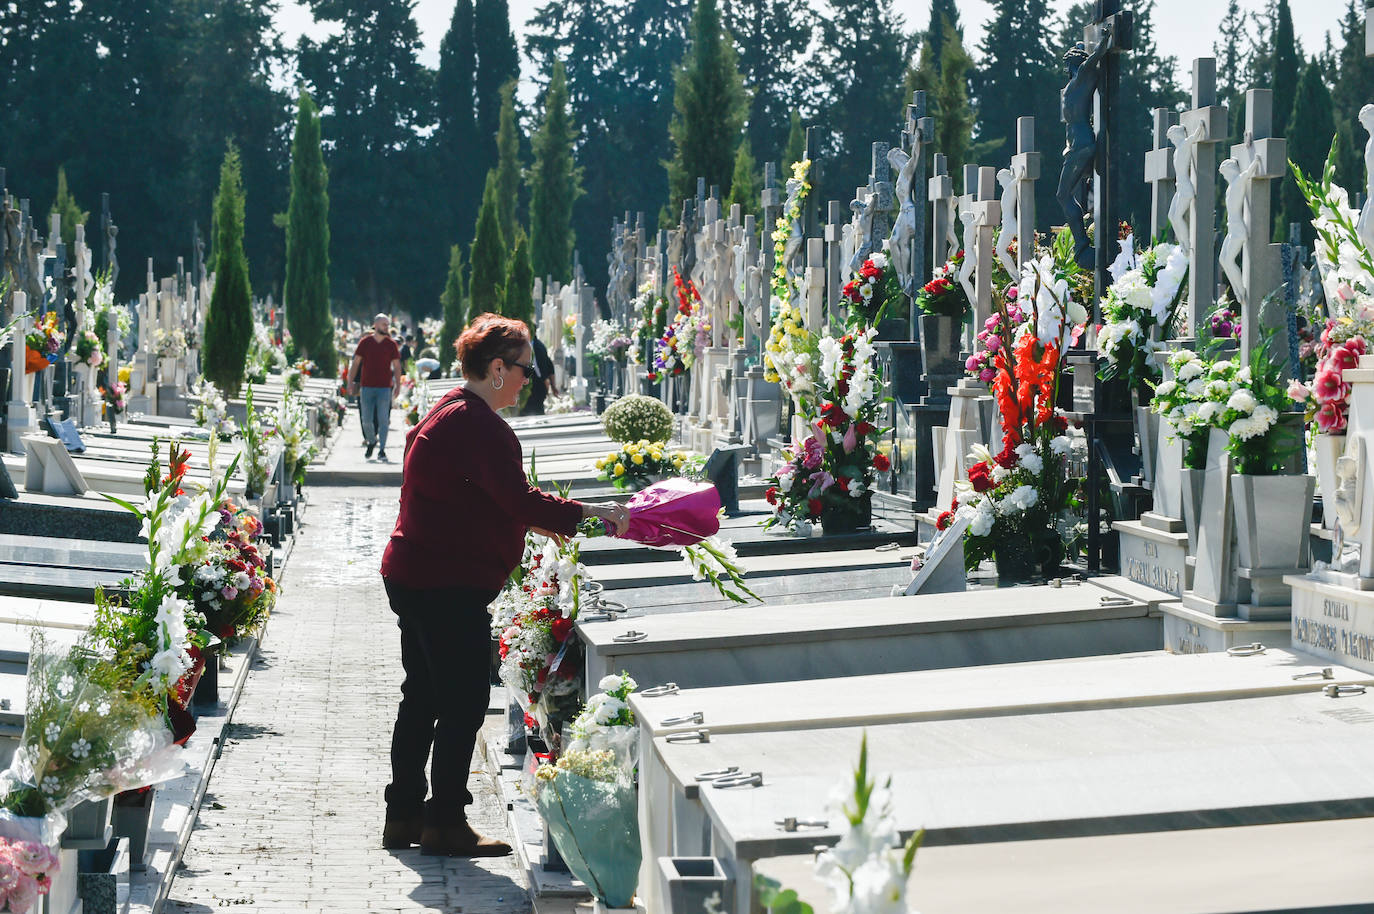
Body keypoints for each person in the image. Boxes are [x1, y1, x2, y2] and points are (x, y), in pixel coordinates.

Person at [378, 313, 630, 857]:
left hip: (416, 573)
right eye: (525, 368)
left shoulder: (450, 409)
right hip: (445, 583)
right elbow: (519, 501)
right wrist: (594, 513)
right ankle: (444, 823)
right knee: (465, 700)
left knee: (421, 694)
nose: (530, 378)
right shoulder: (480, 426)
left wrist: (550, 522)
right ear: (496, 368)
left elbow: (494, 500)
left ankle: (402, 816)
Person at [349, 314, 402, 462]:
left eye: (387, 324)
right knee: (366, 420)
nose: (387, 327)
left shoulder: (391, 344)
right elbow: (356, 363)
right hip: (367, 387)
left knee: (383, 419)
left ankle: (382, 450)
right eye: (384, 324)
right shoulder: (365, 343)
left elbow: (397, 366)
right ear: (376, 325)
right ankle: (372, 441)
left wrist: (398, 384)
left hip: (385, 387)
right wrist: (350, 381)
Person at [519, 334, 559, 416]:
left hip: (536, 384)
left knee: (531, 411)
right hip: (538, 384)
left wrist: (546, 382)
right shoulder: (540, 345)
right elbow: (550, 366)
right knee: (537, 409)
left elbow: (538, 367)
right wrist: (553, 386)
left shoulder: (534, 347)